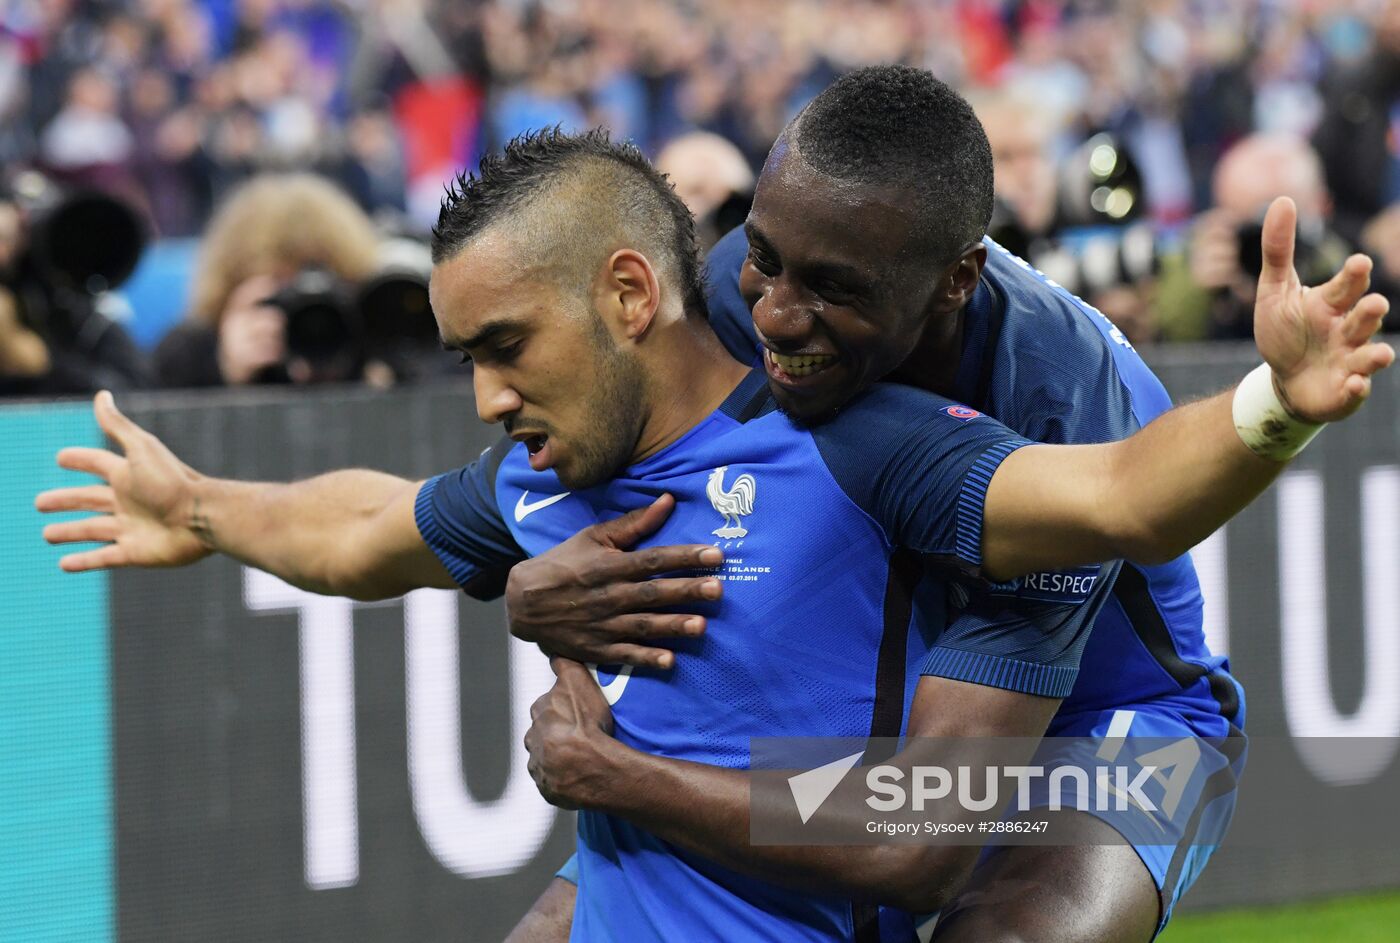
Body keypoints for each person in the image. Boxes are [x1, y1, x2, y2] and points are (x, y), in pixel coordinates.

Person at [36, 124, 1391, 940]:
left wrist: (1277, 396)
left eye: (505, 346)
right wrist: (203, 509)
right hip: (858, 767)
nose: (489, 395)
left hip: (1117, 733)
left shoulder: (900, 432)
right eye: (469, 357)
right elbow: (369, 530)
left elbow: (1108, 514)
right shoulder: (590, 442)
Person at [497, 68, 1388, 942]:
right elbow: (582, 456)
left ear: (957, 279)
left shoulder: (1055, 402)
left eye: (834, 288)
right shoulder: (752, 281)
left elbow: (924, 825)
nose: (775, 316)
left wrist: (622, 775)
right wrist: (533, 581)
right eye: (767, 263)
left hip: (1106, 731)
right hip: (888, 724)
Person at [152, 172, 380, 388]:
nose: (305, 313)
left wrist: (373, 376)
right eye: (283, 291)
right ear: (235, 289)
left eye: (320, 286)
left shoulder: (367, 341)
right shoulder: (191, 351)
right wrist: (223, 371)